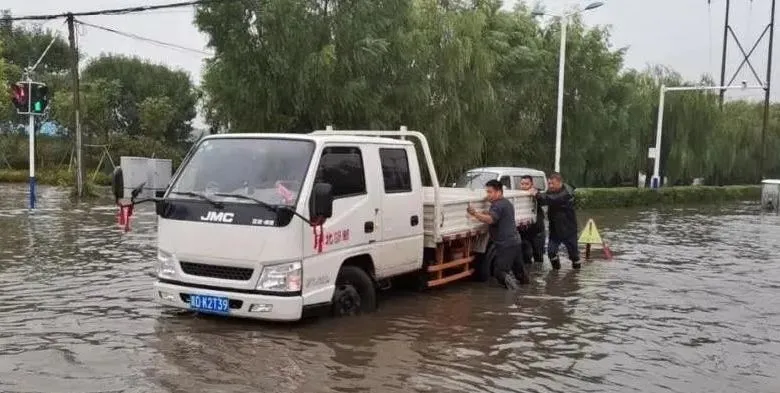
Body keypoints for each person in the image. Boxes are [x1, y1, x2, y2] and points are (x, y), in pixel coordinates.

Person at [467, 180, 527, 289]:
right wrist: (486, 201)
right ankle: (527, 292)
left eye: (490, 192)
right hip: (515, 242)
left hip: (506, 244)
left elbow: (490, 220)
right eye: (487, 192)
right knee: (519, 272)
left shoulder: (498, 205)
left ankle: (515, 292)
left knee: (499, 273)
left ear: (499, 192)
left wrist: (474, 213)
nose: (487, 195)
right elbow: (495, 215)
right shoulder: (506, 203)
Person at [529, 172, 580, 270]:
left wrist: (537, 194)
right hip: (555, 229)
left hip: (569, 230)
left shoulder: (568, 192)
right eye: (549, 183)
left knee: (574, 256)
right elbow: (544, 200)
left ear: (559, 182)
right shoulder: (551, 191)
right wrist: (536, 193)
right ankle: (555, 274)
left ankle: (576, 276)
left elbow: (552, 199)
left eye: (552, 183)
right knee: (551, 252)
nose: (550, 186)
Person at [517, 175, 545, 265]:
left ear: (532, 184)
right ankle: (529, 274)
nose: (524, 186)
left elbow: (544, 201)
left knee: (538, 257)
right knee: (526, 256)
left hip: (537, 232)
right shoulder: (518, 196)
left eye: (526, 184)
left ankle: (538, 276)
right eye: (522, 184)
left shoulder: (537, 194)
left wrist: (536, 194)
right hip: (524, 232)